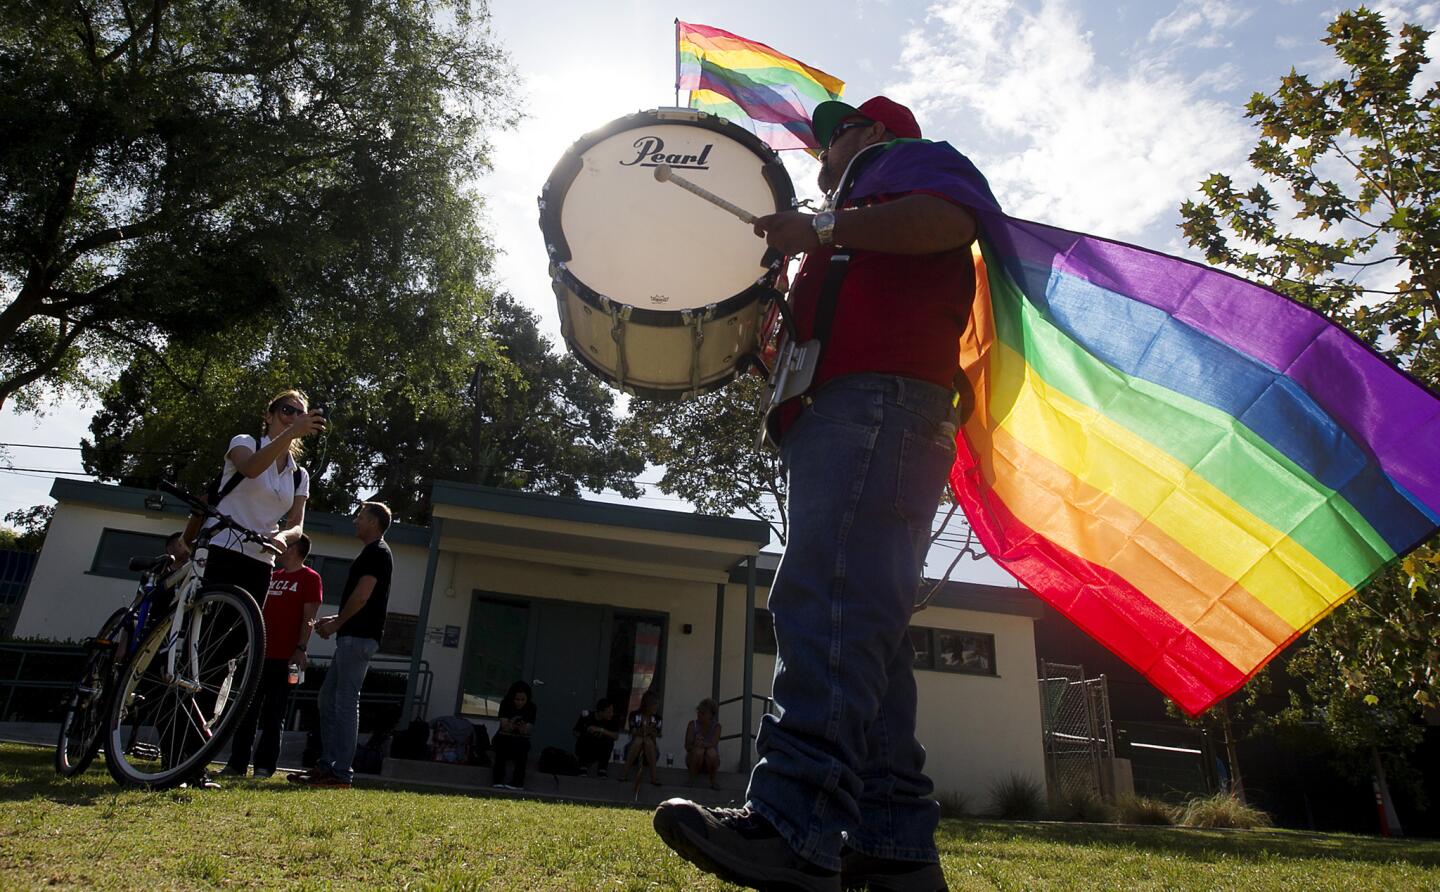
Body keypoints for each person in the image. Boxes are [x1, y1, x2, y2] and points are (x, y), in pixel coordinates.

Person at [654, 97, 982, 892]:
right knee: (869, 627)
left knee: (828, 600)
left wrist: (827, 229)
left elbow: (951, 217)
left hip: (877, 405)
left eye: (834, 136)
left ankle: (794, 827)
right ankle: (893, 843)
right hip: (862, 410)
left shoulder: (898, 164)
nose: (824, 150)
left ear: (871, 134)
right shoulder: (849, 216)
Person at [176, 390, 324, 789]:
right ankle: (176, 746)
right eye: (286, 411)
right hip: (223, 546)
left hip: (260, 561)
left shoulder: (298, 473)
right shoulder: (246, 444)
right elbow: (253, 469)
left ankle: (192, 759)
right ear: (270, 415)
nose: (292, 417)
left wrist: (282, 536)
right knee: (199, 645)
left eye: (299, 414)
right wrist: (289, 433)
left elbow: (297, 522)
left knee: (226, 656)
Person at [293, 501, 394, 789]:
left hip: (359, 639)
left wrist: (338, 624)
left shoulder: (377, 553)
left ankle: (341, 773)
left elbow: (362, 596)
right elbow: (364, 601)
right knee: (328, 699)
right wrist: (338, 618)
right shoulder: (371, 553)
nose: (355, 521)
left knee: (346, 702)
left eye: (360, 517)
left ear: (374, 522)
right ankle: (327, 765)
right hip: (352, 636)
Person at [222, 534, 322, 779]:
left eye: (286, 545)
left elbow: (309, 616)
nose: (281, 549)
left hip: (287, 658)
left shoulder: (310, 578)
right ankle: (237, 764)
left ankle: (264, 767)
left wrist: (301, 648)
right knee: (246, 710)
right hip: (258, 655)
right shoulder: (272, 576)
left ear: (297, 548)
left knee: (274, 713)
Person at [491, 680, 537, 789]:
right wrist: (513, 725)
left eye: (522, 700)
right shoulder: (505, 704)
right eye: (517, 699)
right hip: (504, 737)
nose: (519, 702)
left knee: (523, 748)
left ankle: (518, 782)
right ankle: (497, 779)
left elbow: (528, 729)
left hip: (520, 740)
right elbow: (504, 727)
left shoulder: (532, 707)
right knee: (501, 746)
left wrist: (520, 728)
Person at [620, 690, 663, 786]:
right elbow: (634, 732)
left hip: (651, 752)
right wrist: (647, 731)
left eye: (657, 704)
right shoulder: (634, 715)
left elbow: (655, 734)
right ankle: (625, 772)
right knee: (639, 740)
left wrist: (643, 731)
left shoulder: (657, 719)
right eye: (653, 704)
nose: (656, 707)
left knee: (647, 741)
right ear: (646, 704)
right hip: (632, 751)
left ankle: (654, 776)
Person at [573, 697, 621, 777]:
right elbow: (575, 731)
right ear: (600, 712)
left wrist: (601, 730)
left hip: (601, 749)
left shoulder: (611, 720)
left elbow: (616, 736)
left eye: (612, 711)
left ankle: (602, 769)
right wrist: (586, 732)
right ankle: (583, 766)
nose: (611, 714)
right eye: (608, 712)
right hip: (587, 748)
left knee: (609, 740)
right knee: (585, 737)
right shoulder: (587, 717)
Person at [684, 698, 722, 790]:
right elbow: (687, 746)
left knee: (711, 752)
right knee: (698, 751)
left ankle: (713, 781)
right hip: (694, 759)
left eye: (703, 713)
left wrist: (701, 744)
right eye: (699, 712)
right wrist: (696, 745)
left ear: (710, 715)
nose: (699, 715)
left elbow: (713, 744)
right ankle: (691, 779)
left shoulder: (716, 727)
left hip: (709, 762)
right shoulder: (693, 725)